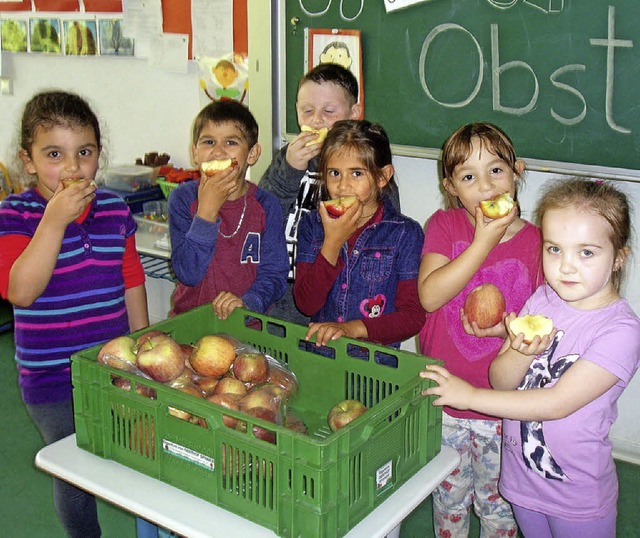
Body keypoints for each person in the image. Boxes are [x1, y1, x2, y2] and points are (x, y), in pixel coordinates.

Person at [421, 178, 640, 538]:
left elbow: (556, 403)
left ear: (619, 257)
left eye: (586, 252)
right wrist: (520, 352)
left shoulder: (621, 329)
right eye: (554, 249)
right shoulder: (541, 300)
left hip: (576, 494)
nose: (566, 267)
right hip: (522, 482)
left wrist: (468, 397)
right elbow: (502, 379)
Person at [0, 90, 149, 537]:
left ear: (98, 156)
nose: (71, 168)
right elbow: (20, 291)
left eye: (83, 153)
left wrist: (143, 347)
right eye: (53, 154)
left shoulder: (113, 209)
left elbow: (131, 277)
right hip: (51, 380)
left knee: (141, 457)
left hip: (114, 367)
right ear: (27, 160)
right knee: (76, 470)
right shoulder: (14, 214)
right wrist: (54, 220)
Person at [417, 122, 543, 536]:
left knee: (498, 503)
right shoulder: (444, 225)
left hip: (502, 409)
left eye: (496, 171)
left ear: (517, 171)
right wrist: (483, 243)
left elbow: (542, 328)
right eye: (469, 177)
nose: (486, 186)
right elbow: (430, 297)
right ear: (451, 186)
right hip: (446, 400)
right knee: (448, 500)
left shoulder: (540, 243)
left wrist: (509, 335)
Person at [260, 62, 400, 324]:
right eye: (307, 111)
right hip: (281, 303)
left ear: (355, 112)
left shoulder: (369, 172)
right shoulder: (287, 160)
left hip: (341, 308)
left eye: (328, 111)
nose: (316, 120)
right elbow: (261, 219)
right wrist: (289, 171)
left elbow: (383, 237)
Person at [293, 119, 424, 351]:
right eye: (334, 173)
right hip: (320, 357)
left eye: (356, 173)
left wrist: (352, 329)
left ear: (382, 177)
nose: (343, 187)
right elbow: (306, 303)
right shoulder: (312, 225)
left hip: (376, 367)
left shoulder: (405, 234)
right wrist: (331, 244)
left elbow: (412, 317)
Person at [169, 100, 288, 320]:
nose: (218, 152)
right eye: (208, 142)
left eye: (231, 142)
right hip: (190, 323)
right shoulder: (182, 199)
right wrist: (207, 210)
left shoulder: (266, 206)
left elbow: (274, 274)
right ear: (195, 152)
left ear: (252, 154)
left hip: (247, 327)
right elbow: (188, 274)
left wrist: (249, 303)